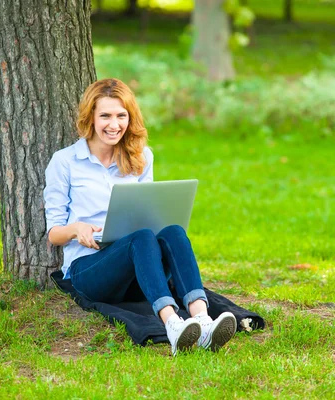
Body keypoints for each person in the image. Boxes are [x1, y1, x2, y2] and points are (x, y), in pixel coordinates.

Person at [43, 78, 236, 355]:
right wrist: (76, 228)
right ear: (90, 118)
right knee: (142, 237)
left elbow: (150, 213)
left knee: (172, 231)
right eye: (105, 116)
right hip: (89, 269)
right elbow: (53, 234)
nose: (114, 124)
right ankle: (172, 325)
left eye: (122, 116)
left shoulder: (141, 156)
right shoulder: (65, 162)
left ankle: (202, 321)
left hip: (138, 269)